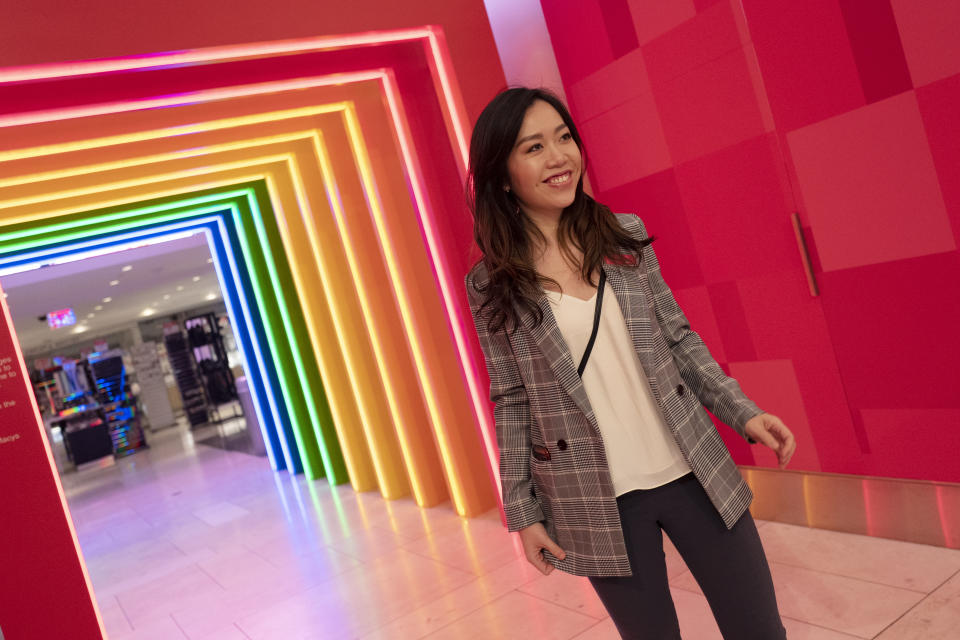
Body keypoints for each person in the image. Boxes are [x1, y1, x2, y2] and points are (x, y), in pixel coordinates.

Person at [464, 87, 796, 640]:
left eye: (564, 138)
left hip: (692, 469)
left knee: (759, 629)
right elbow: (511, 399)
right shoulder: (491, 283)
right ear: (501, 174)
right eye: (534, 147)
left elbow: (680, 339)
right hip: (593, 496)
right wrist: (522, 511)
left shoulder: (623, 236)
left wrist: (741, 412)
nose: (559, 157)